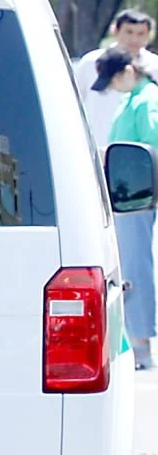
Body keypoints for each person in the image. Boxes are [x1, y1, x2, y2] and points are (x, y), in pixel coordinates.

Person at [92, 46, 158, 370]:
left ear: (127, 72)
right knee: (129, 266)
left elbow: (152, 145)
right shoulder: (134, 100)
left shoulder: (147, 101)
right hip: (126, 194)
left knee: (135, 267)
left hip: (137, 195)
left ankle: (141, 343)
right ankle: (136, 341)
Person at [73, 9, 158, 148]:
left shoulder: (145, 98)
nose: (134, 39)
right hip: (96, 146)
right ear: (116, 31)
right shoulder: (90, 62)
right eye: (129, 32)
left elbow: (153, 143)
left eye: (141, 34)